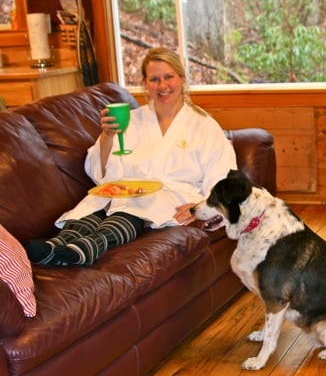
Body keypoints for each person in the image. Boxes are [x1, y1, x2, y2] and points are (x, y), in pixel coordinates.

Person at [26, 47, 237, 267]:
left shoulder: (203, 125)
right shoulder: (131, 120)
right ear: (145, 83)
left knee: (133, 209)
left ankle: (84, 250)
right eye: (154, 79)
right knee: (94, 205)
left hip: (172, 196)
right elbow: (101, 174)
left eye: (169, 77)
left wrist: (204, 204)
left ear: (182, 79)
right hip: (126, 190)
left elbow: (221, 172)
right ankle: (56, 246)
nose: (163, 86)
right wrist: (107, 136)